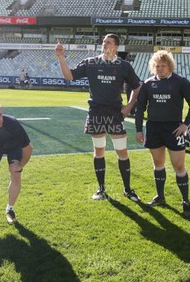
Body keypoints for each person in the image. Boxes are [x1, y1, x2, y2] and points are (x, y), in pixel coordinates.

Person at [55, 33, 142, 202]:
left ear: (116, 47)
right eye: (103, 42)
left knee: (122, 151)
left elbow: (137, 87)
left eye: (108, 42)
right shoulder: (91, 63)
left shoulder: (124, 66)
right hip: (96, 112)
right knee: (99, 151)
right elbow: (70, 76)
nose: (104, 44)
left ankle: (127, 189)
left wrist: (129, 106)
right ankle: (101, 189)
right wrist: (61, 57)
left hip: (115, 113)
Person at [135, 50, 190, 217]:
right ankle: (160, 197)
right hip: (153, 128)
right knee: (158, 164)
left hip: (174, 128)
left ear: (170, 66)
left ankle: (185, 201)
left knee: (179, 165)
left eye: (163, 66)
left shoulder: (180, 82)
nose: (160, 69)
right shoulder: (148, 84)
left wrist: (186, 124)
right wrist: (138, 129)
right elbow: (140, 108)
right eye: (157, 66)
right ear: (153, 67)